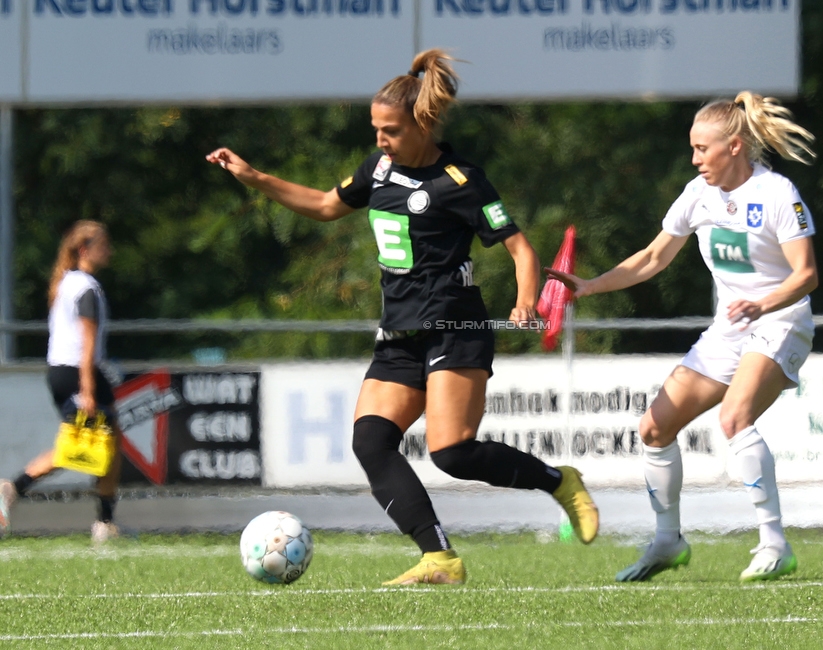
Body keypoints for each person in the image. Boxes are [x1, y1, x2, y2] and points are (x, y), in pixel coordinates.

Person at [206, 49, 599, 585]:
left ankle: (559, 481)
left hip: (455, 325)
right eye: (375, 128)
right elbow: (325, 206)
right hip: (399, 334)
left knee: (452, 452)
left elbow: (521, 250)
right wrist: (255, 177)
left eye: (389, 130)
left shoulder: (462, 181)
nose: (379, 140)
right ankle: (439, 558)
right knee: (370, 441)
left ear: (423, 124)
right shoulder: (379, 169)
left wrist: (526, 299)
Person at [547, 92, 818, 582]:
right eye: (692, 150)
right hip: (731, 328)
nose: (695, 160)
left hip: (781, 321)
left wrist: (763, 303)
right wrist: (590, 285)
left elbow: (806, 276)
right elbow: (653, 258)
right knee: (654, 427)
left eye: (702, 149)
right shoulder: (699, 194)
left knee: (735, 419)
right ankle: (668, 542)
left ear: (734, 146)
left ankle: (775, 544)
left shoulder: (778, 193)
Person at [0, 220, 124, 545]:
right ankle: (14, 486)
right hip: (79, 372)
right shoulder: (85, 288)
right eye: (103, 244)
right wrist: (88, 389)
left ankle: (105, 521)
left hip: (61, 371)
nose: (109, 250)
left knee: (101, 442)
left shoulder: (67, 282)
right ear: (85, 249)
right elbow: (87, 342)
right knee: (83, 445)